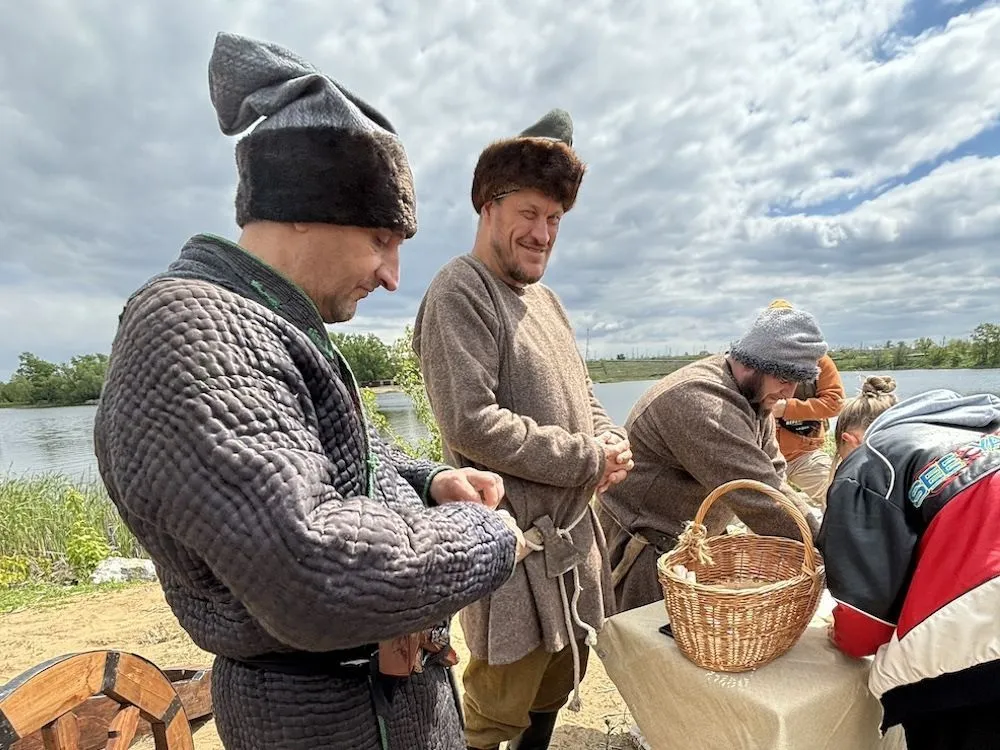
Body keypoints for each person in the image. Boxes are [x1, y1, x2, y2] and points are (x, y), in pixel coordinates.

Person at [93, 32, 524, 750]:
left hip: (378, 699)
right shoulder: (191, 328)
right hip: (320, 722)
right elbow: (313, 566)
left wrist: (430, 483)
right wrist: (487, 537)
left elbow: (343, 461)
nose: (392, 276)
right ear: (301, 207)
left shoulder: (268, 320)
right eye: (382, 240)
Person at [412, 109, 633, 750]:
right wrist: (587, 459)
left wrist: (608, 438)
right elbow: (473, 424)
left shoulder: (547, 300)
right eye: (530, 213)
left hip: (571, 547)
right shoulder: (461, 290)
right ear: (489, 205)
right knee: (494, 710)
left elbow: (581, 389)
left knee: (554, 689)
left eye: (555, 219)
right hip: (514, 553)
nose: (542, 233)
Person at [599, 300, 823, 612]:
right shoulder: (701, 402)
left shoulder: (756, 397)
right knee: (649, 650)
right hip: (644, 550)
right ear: (752, 363)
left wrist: (816, 532)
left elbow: (773, 477)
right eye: (785, 378)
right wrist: (827, 549)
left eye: (798, 380)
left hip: (688, 546)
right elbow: (756, 495)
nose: (790, 391)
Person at [817, 379, 1000, 750]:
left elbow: (862, 625)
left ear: (849, 441)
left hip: (980, 628)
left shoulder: (871, 459)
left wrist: (840, 632)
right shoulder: (981, 425)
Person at [772, 330, 845, 508]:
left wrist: (787, 408)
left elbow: (835, 403)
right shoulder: (754, 363)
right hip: (764, 457)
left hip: (805, 453)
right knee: (761, 511)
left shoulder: (820, 361)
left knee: (839, 495)